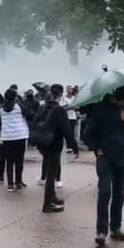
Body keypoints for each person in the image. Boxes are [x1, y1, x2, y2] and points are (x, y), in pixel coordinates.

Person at [84, 85, 124, 246]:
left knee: (119, 193)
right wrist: (96, 148)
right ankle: (101, 230)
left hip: (122, 155)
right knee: (105, 192)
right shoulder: (99, 110)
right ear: (119, 97)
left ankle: (116, 227)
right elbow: (86, 134)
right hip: (105, 156)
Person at [38, 84, 79, 213]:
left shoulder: (43, 107)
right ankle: (47, 203)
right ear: (61, 94)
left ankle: (52, 197)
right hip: (54, 144)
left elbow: (35, 122)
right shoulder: (59, 110)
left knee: (50, 170)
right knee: (51, 174)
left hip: (43, 143)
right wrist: (74, 146)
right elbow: (67, 130)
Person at [0, 89, 32, 191]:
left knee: (9, 160)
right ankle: (18, 182)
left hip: (7, 137)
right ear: (15, 97)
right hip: (20, 135)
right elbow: (30, 114)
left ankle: (10, 184)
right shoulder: (19, 106)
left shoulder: (1, 108)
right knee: (19, 160)